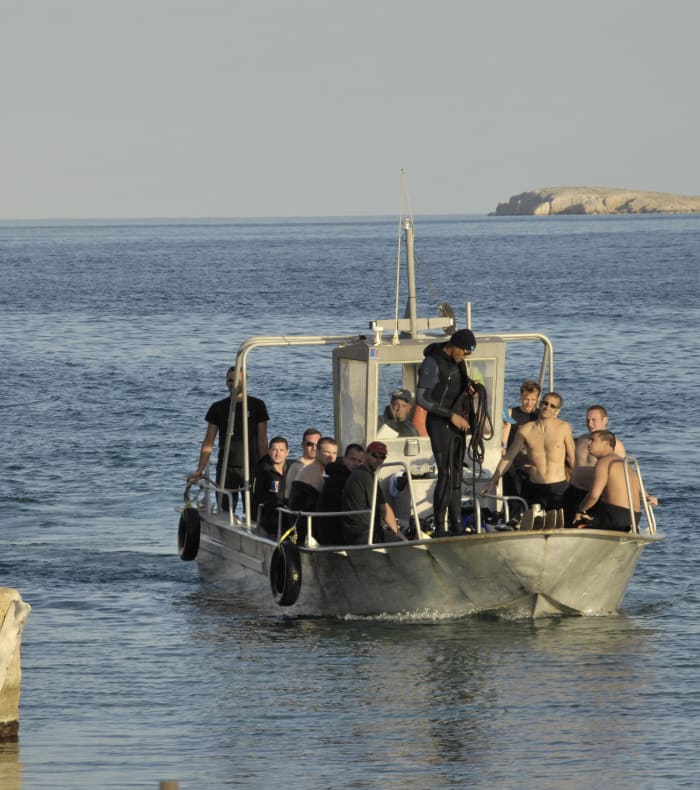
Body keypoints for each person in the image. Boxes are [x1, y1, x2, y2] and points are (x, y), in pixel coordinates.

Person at [416, 328, 476, 535]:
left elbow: (458, 386)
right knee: (446, 472)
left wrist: (470, 388)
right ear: (455, 345)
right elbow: (421, 398)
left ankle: (456, 524)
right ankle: (440, 526)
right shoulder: (432, 362)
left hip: (458, 423)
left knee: (457, 473)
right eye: (464, 352)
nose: (465, 356)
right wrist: (451, 415)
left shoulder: (459, 363)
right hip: (440, 423)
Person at [189, 367, 269, 513]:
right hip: (226, 467)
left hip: (252, 466)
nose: (234, 384)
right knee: (224, 510)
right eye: (230, 380)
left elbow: (263, 440)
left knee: (254, 510)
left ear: (246, 381)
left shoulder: (257, 406)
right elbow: (208, 441)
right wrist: (200, 469)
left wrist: (267, 468)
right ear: (226, 383)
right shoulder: (218, 408)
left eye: (238, 380)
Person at [482, 392, 575, 513]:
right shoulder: (526, 430)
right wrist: (492, 481)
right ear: (540, 404)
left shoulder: (564, 427)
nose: (547, 407)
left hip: (558, 487)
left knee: (559, 524)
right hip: (535, 487)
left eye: (552, 406)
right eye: (545, 403)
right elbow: (509, 457)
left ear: (557, 411)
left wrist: (576, 485)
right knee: (534, 524)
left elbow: (572, 457)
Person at [574, 430, 643, 532]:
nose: (589, 444)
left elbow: (594, 495)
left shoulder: (604, 462)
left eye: (593, 440)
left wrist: (580, 510)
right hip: (634, 518)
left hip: (615, 517)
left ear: (606, 444)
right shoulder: (624, 463)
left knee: (576, 522)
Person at [341, 441, 403, 545]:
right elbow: (383, 509)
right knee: (399, 543)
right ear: (366, 455)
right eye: (375, 456)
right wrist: (400, 536)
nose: (378, 460)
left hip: (356, 531)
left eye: (382, 457)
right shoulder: (365, 475)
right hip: (363, 533)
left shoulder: (364, 474)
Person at [501, 380, 541, 520]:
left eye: (532, 400)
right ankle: (513, 518)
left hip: (532, 462)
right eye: (526, 399)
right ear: (520, 397)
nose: (529, 403)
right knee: (514, 494)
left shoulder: (540, 416)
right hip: (514, 460)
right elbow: (503, 442)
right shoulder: (511, 413)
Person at [288, 436, 339, 543]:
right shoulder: (312, 473)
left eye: (334, 453)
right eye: (327, 452)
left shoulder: (323, 471)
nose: (331, 457)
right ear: (318, 451)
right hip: (306, 528)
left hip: (310, 522)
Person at [315, 443, 366, 544]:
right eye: (353, 459)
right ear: (345, 459)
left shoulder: (354, 477)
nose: (356, 464)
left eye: (359, 461)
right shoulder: (337, 479)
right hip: (334, 530)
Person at [252, 436, 291, 536]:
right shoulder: (263, 472)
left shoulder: (293, 469)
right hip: (270, 518)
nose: (278, 454)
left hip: (290, 514)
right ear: (269, 451)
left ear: (287, 452)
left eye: (281, 450)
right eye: (274, 450)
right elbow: (258, 496)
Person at [284, 427, 322, 499]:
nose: (314, 448)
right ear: (302, 445)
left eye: (317, 444)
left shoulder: (322, 465)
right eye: (309, 444)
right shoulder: (297, 467)